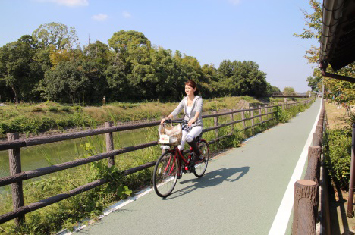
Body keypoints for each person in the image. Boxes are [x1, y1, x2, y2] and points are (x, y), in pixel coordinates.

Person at [161, 80, 203, 166]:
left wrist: (194, 119)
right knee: (180, 145)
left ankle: (198, 154)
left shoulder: (199, 99)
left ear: (194, 89)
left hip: (196, 125)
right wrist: (167, 117)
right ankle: (180, 169)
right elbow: (177, 110)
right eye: (185, 88)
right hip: (186, 125)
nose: (187, 90)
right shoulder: (184, 100)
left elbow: (198, 111)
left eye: (189, 88)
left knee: (189, 138)